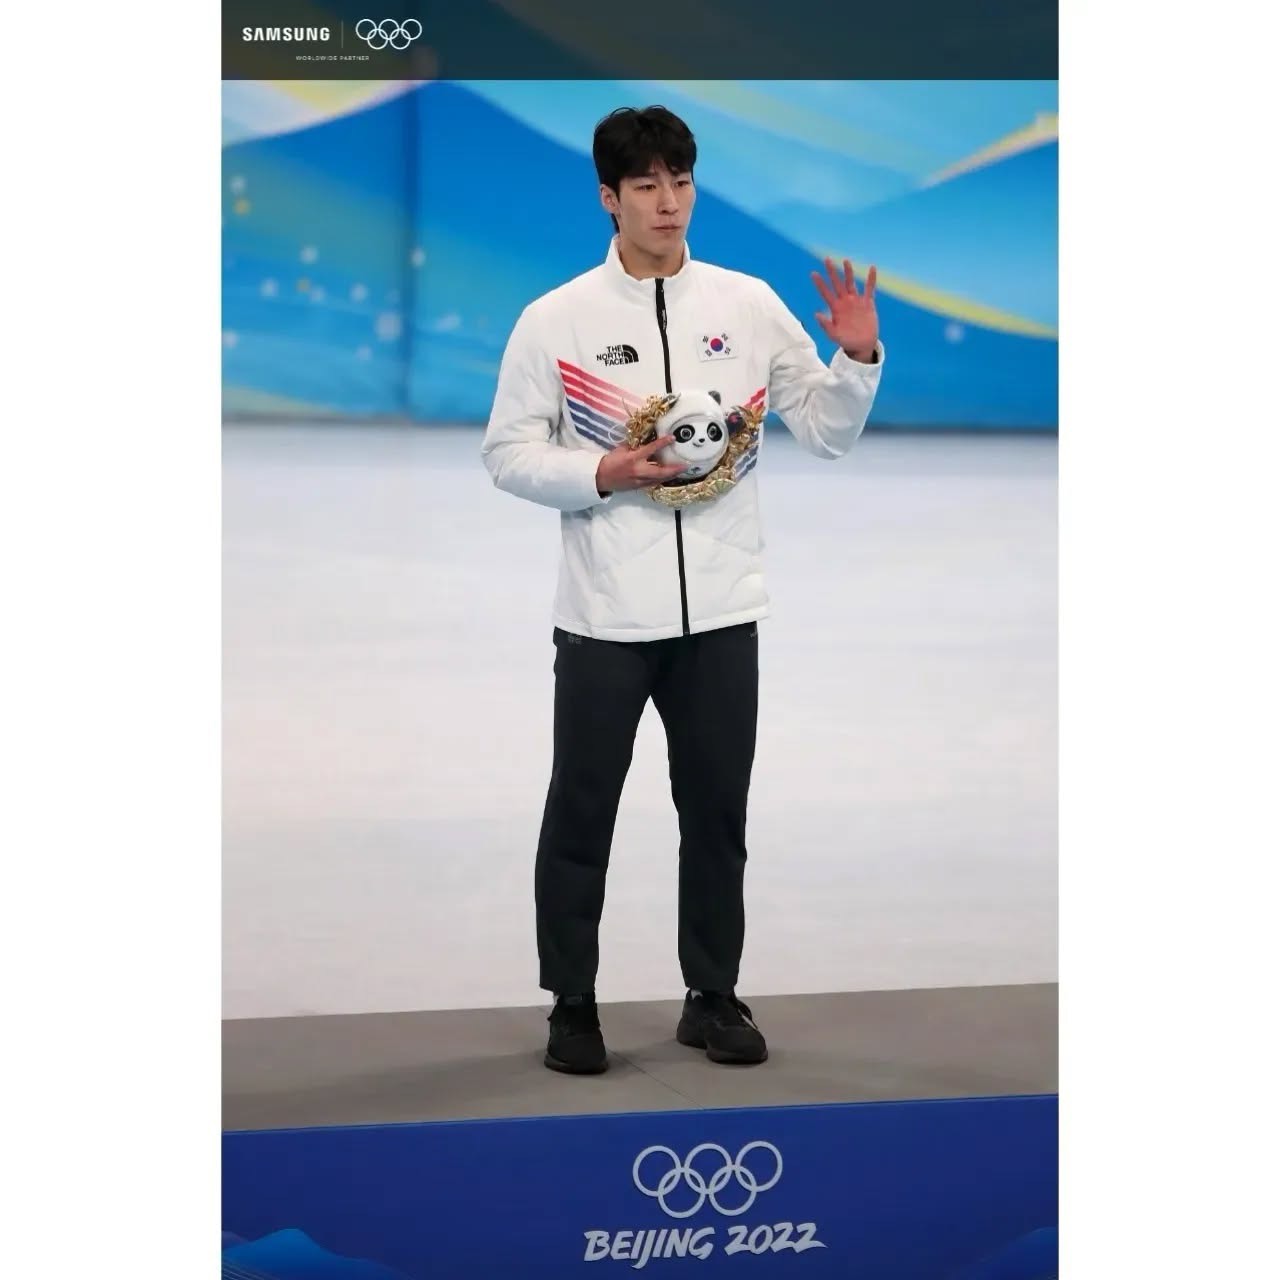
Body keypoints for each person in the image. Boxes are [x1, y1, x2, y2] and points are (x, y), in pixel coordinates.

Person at [481, 105, 884, 1074]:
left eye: (681, 181)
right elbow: (507, 452)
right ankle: (572, 1005)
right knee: (581, 813)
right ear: (608, 197)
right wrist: (604, 472)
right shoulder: (556, 319)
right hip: (605, 618)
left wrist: (856, 358)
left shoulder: (746, 305)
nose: (668, 202)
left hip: (722, 613)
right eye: (646, 185)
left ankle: (711, 995)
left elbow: (825, 432)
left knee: (716, 815)